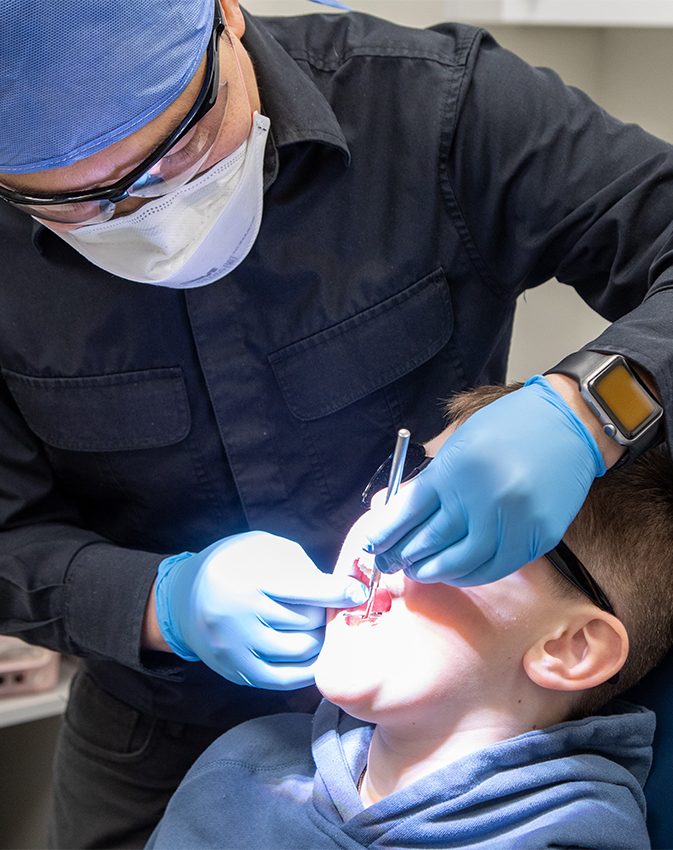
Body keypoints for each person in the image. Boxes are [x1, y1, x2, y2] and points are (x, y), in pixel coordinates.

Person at [1, 0, 673, 846]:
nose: (146, 213)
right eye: (77, 204)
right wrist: (161, 604)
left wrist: (590, 408)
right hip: (156, 726)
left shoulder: (436, 109)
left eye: (180, 149)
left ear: (225, 20)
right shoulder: (230, 778)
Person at [145, 383, 673, 850]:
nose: (382, 517)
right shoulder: (239, 767)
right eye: (400, 482)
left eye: (453, 519)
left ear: (573, 648)